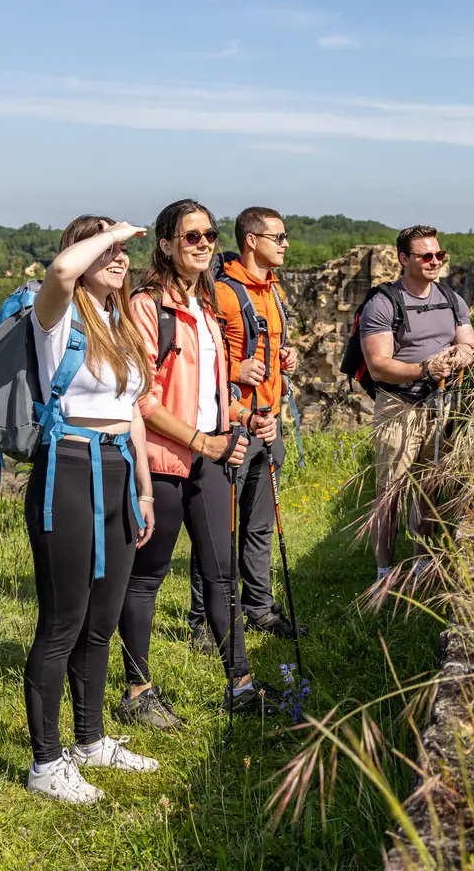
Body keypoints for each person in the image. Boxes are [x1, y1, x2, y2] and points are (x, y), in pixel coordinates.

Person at [116, 199, 280, 728]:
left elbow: (206, 392)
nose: (204, 243)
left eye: (209, 234)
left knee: (221, 573)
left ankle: (242, 685)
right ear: (165, 245)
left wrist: (242, 415)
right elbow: (141, 399)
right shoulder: (146, 306)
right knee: (147, 577)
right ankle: (138, 691)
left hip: (211, 453)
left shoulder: (207, 304)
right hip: (163, 459)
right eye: (191, 236)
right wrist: (201, 441)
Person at [24, 216, 159, 804]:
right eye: (104, 243)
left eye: (124, 247)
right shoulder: (56, 314)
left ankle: (90, 740)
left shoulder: (118, 321)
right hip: (69, 469)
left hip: (119, 472)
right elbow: (59, 270)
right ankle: (45, 763)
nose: (120, 253)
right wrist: (113, 232)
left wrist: (146, 489)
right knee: (62, 623)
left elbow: (131, 413)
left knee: (102, 620)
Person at [188, 205, 300, 652]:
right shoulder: (223, 293)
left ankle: (259, 607)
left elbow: (271, 350)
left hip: (267, 423)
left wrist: (284, 358)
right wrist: (238, 370)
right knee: (218, 529)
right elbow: (203, 359)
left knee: (258, 526)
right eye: (279, 236)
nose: (286, 244)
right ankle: (202, 619)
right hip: (231, 424)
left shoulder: (275, 293)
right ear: (252, 240)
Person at [361, 225, 474, 581]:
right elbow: (377, 364)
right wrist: (424, 368)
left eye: (439, 255)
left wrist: (462, 354)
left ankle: (422, 565)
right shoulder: (383, 303)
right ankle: (384, 573)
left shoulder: (450, 298)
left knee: (429, 488)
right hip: (399, 406)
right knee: (390, 493)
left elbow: (472, 344)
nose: (434, 262)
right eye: (425, 256)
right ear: (403, 259)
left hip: (439, 405)